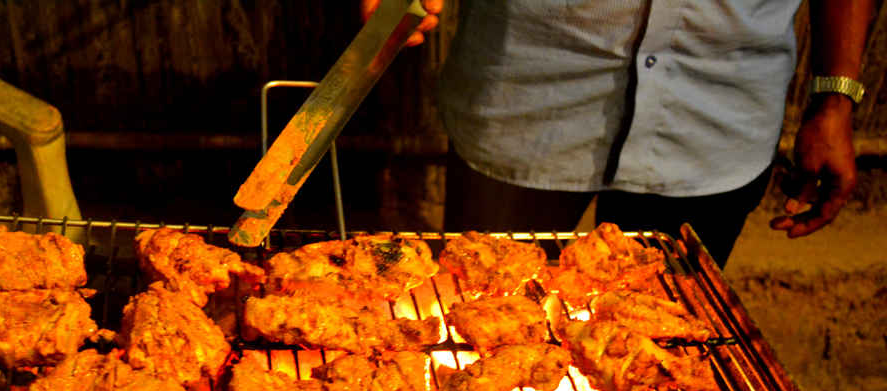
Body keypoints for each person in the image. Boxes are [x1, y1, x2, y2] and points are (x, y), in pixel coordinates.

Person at [363, 1, 874, 268]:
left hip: (719, 108)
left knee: (662, 360)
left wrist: (835, 99)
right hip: (525, 89)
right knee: (485, 314)